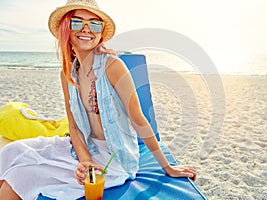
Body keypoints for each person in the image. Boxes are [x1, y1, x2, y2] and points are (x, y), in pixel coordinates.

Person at [0, 0, 197, 199]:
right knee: (13, 150)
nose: (87, 29)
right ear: (66, 29)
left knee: (20, 175)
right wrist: (84, 160)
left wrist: (167, 166)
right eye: (77, 22)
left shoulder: (112, 66)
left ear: (101, 32)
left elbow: (138, 119)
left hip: (113, 159)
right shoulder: (68, 72)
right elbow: (74, 125)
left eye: (94, 24)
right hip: (81, 148)